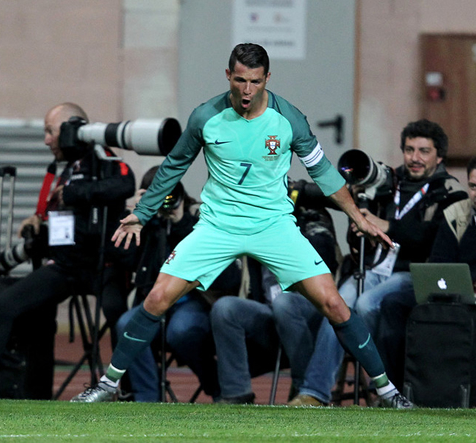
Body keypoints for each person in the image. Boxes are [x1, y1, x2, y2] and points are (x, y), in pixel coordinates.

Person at [71, 43, 412, 408]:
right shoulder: (206, 117)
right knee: (156, 299)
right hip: (218, 227)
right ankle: (107, 385)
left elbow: (323, 172)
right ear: (228, 76)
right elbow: (174, 166)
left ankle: (388, 392)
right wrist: (142, 212)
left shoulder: (289, 119)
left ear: (267, 78)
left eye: (254, 81)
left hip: (274, 227)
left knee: (336, 305)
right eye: (239, 80)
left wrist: (358, 216)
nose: (246, 90)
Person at [288, 118, 468, 407]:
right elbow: (354, 217)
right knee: (335, 302)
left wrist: (387, 225)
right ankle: (315, 392)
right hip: (371, 270)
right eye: (409, 150)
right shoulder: (387, 180)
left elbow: (434, 236)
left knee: (366, 304)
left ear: (440, 156)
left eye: (424, 151)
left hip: (411, 274)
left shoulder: (449, 190)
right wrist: (361, 222)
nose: (415, 158)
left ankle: (382, 390)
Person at [0, 103, 136, 383]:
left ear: (73, 129)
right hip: (65, 267)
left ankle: (131, 390)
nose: (47, 140)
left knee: (120, 316)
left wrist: (75, 193)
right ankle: (15, 384)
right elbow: (67, 221)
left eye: (51, 131)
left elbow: (125, 185)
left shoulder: (104, 159)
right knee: (4, 305)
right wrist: (40, 223)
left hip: (103, 267)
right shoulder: (66, 169)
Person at [116, 168, 239, 402]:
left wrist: (181, 222)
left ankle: (216, 386)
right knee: (126, 324)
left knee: (181, 331)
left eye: (168, 194)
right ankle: (146, 399)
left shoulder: (198, 218)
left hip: (192, 301)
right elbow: (126, 263)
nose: (165, 201)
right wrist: (137, 217)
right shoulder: (143, 222)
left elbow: (224, 273)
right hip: (154, 300)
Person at [377, 153, 476, 390]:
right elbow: (439, 261)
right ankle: (394, 391)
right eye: (473, 186)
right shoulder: (457, 214)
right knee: (392, 304)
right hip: (458, 293)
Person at [211, 204, 339, 404]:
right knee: (225, 307)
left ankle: (306, 388)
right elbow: (228, 279)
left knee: (285, 302)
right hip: (269, 312)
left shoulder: (310, 221)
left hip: (309, 311)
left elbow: (328, 260)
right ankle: (236, 393)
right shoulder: (253, 230)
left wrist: (286, 233)